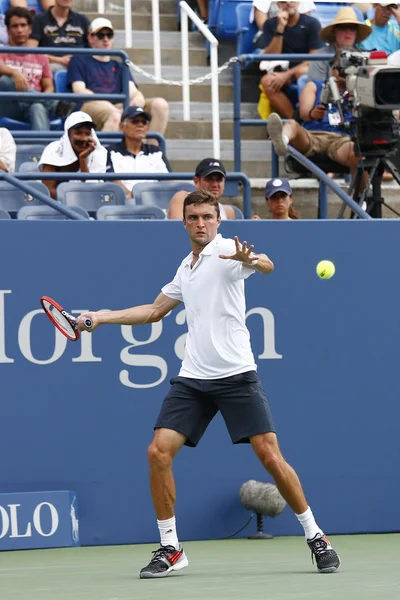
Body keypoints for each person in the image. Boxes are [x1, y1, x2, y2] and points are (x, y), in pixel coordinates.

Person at [77, 189, 340, 579]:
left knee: (269, 455)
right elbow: (153, 311)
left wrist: (250, 258)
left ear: (218, 220)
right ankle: (171, 547)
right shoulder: (187, 267)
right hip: (194, 378)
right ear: (184, 222)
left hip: (236, 375)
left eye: (207, 217)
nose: (201, 223)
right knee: (157, 452)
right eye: (194, 217)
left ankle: (316, 535)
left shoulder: (228, 251)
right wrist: (101, 316)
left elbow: (265, 264)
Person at [67, 17, 169, 136]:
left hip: (119, 105)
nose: (106, 39)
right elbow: (79, 90)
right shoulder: (78, 60)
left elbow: (133, 91)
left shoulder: (120, 64)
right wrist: (109, 105)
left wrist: (138, 99)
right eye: (101, 35)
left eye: (109, 35)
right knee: (116, 116)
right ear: (90, 38)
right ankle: (104, 154)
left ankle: (152, 151)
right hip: (91, 104)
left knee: (160, 105)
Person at [266, 68, 361, 180]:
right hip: (312, 136)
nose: (342, 73)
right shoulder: (315, 85)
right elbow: (303, 114)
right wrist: (312, 114)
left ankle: (360, 196)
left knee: (357, 153)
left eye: (346, 69)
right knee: (291, 123)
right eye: (338, 68)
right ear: (332, 69)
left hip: (342, 139)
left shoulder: (359, 91)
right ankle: (282, 141)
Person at [0, 6, 74, 130]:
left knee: (38, 107)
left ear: (30, 29)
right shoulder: (2, 51)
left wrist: (39, 99)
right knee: (5, 81)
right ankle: (54, 105)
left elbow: (49, 86)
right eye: (15, 26)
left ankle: (42, 147)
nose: (19, 30)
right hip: (8, 106)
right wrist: (14, 73)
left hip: (32, 106)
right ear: (8, 30)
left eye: (23, 25)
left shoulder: (40, 56)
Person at [259, 1, 323, 118]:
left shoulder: (312, 23)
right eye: (284, 1)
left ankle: (308, 118)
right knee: (267, 81)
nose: (288, 2)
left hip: (305, 69)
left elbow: (314, 58)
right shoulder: (270, 24)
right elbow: (272, 56)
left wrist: (287, 75)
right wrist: (280, 28)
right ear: (278, 4)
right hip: (281, 70)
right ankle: (294, 120)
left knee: (302, 72)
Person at [106, 106, 171, 200]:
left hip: (153, 203)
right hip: (122, 205)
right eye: (135, 121)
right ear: (122, 126)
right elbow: (111, 180)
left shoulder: (156, 152)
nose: (140, 125)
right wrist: (131, 197)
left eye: (144, 122)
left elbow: (169, 182)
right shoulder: (109, 152)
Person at [39, 110, 107, 198]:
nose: (83, 138)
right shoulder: (53, 149)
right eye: (78, 133)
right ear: (68, 134)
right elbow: (48, 190)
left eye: (87, 134)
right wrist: (73, 200)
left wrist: (82, 159)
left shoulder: (98, 153)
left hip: (87, 203)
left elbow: (92, 189)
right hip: (56, 206)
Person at [307, 7, 372, 82]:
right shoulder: (320, 57)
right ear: (334, 31)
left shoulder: (366, 57)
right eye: (343, 27)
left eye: (352, 27)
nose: (348, 31)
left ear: (356, 33)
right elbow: (315, 88)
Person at [28, 0, 90, 73]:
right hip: (51, 66)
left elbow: (94, 46)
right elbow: (31, 51)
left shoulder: (82, 20)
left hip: (80, 66)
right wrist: (59, 60)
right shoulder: (39, 20)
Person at [167, 158, 237, 220]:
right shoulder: (182, 198)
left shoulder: (228, 212)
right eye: (209, 179)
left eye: (219, 179)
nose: (215, 184)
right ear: (196, 181)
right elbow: (178, 231)